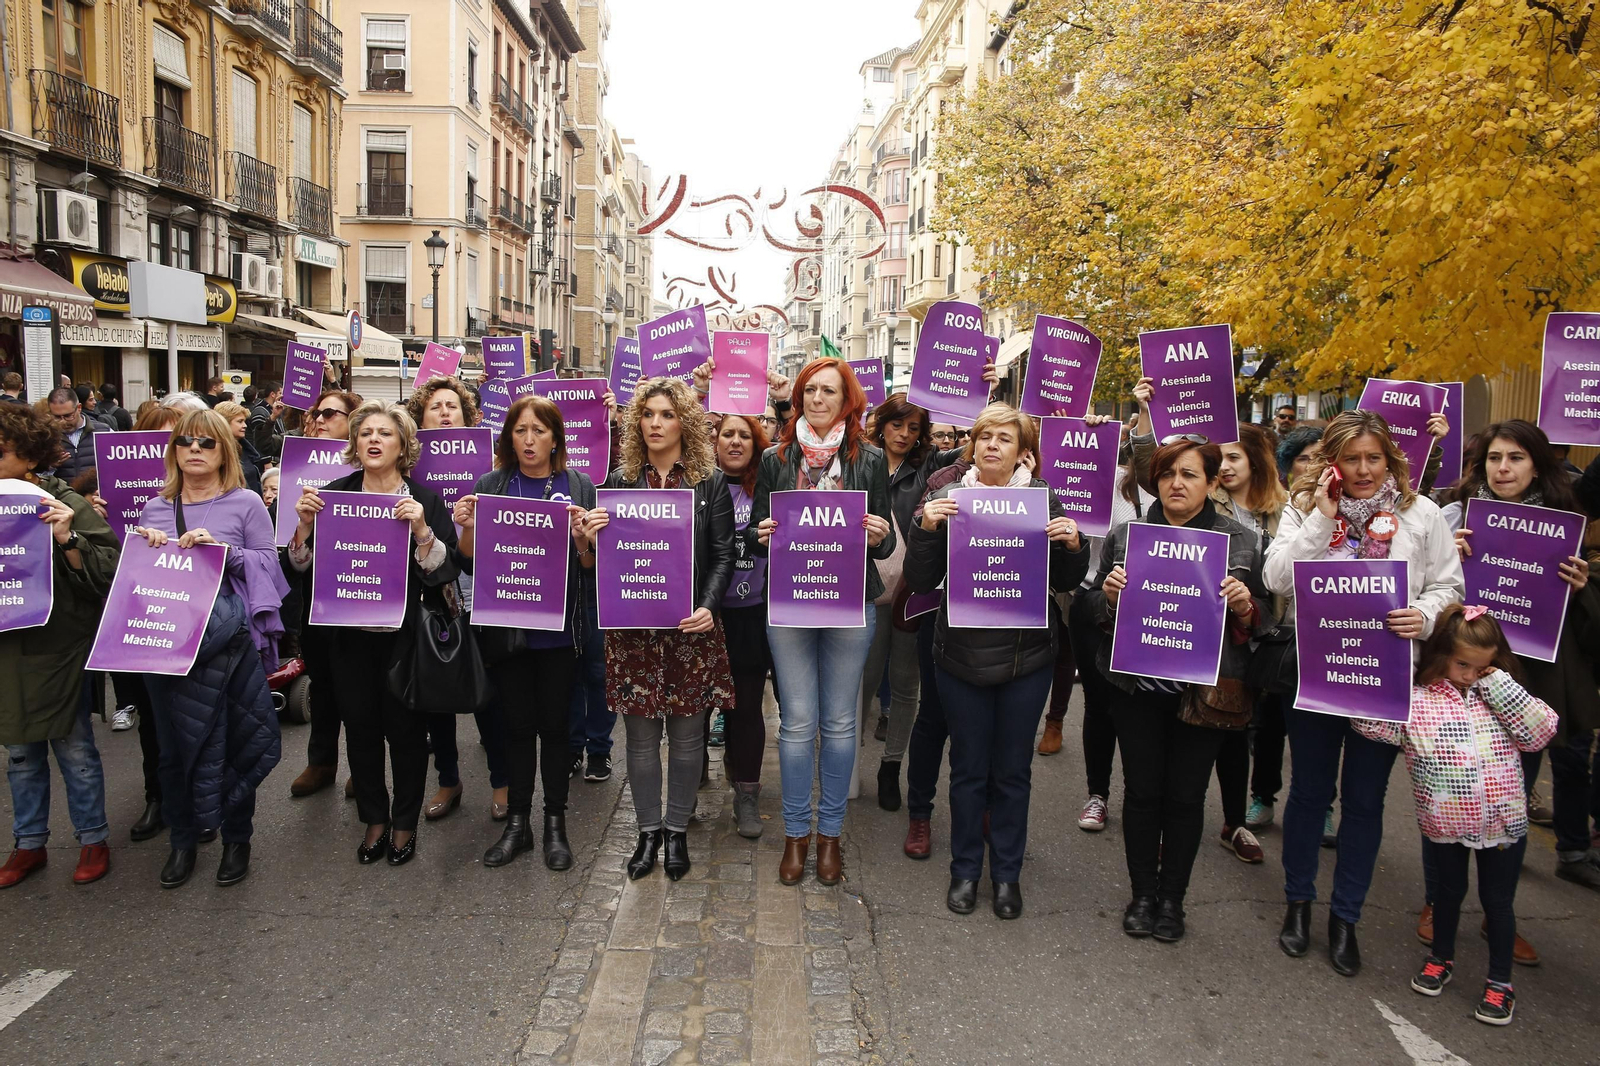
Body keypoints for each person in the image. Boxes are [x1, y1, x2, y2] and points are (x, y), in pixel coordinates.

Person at [1265, 409, 1463, 975]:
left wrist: (1422, 616)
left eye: (1372, 458)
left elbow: (1448, 583)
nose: (1362, 469)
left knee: (1366, 801)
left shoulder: (1420, 513)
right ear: (1333, 461)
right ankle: (1298, 904)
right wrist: (1321, 522)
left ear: (1389, 459)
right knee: (1308, 794)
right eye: (1350, 458)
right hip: (1318, 674)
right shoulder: (1304, 507)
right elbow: (1277, 579)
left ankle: (1345, 917)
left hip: (1385, 678)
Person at [906, 403, 1090, 918]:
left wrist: (1073, 546)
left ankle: (1006, 874)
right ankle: (964, 869)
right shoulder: (948, 498)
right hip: (960, 656)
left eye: (1004, 439)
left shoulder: (1043, 500)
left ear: (1022, 452)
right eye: (985, 436)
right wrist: (924, 528)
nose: (992, 445)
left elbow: (1066, 580)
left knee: (1012, 772)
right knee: (966, 770)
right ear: (973, 445)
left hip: (1026, 660)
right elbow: (921, 581)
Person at [1087, 437, 1270, 943]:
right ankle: (1143, 894)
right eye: (1168, 474)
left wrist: (1244, 607)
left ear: (1213, 483)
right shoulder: (1129, 536)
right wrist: (1106, 598)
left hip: (1203, 696)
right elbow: (1092, 613)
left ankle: (1173, 900)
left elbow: (1267, 623)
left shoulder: (1242, 541)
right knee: (1143, 793)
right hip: (1137, 690)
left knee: (1186, 799)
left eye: (1189, 474)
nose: (1176, 484)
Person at [1354, 605, 1556, 1026]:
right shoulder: (1420, 700)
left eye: (1482, 666)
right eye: (1462, 663)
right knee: (1446, 892)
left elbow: (1540, 733)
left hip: (1502, 821)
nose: (1469, 674)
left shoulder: (1500, 697)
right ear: (1441, 652)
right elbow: (1376, 725)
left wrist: (1500, 684)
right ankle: (1440, 957)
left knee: (1498, 902)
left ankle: (1500, 982)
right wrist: (1354, 684)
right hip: (1445, 823)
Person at [288, 401, 459, 866]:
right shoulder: (332, 496)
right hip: (347, 640)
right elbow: (301, 568)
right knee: (360, 730)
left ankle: (404, 823)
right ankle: (375, 819)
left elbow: (444, 571)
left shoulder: (424, 499)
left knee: (405, 734)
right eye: (366, 433)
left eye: (384, 433)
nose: (374, 440)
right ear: (355, 444)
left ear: (403, 445)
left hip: (405, 639)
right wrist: (303, 529)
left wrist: (422, 531)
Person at [1439, 421, 1600, 898]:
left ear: (1537, 465)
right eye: (1494, 458)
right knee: (1449, 797)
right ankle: (1439, 903)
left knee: (1510, 803)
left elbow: (1582, 621)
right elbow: (1425, 593)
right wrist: (1449, 560)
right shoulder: (1455, 514)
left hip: (1528, 682)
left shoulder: (1565, 522)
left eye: (1515, 458)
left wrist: (1581, 585)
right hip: (1460, 678)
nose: (1503, 468)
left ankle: (1499, 913)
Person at [585, 378, 735, 882]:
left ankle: (676, 832)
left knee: (690, 740)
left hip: (690, 627)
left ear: (684, 423)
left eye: (666, 415)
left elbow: (722, 554)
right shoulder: (621, 480)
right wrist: (592, 538)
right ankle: (647, 832)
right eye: (647, 414)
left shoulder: (708, 481)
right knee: (642, 740)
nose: (655, 423)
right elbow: (598, 562)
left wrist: (709, 605)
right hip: (634, 632)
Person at [752, 358, 895, 887]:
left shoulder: (871, 459)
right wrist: (760, 532)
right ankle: (795, 836)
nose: (816, 399)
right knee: (795, 725)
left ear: (847, 400)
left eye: (828, 391)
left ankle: (830, 836)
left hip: (849, 604)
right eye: (810, 390)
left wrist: (880, 532)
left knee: (838, 724)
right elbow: (751, 532)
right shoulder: (776, 458)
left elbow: (887, 541)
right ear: (799, 398)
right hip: (791, 603)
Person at [132, 409, 287, 887]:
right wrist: (147, 548)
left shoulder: (244, 503)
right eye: (185, 442)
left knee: (239, 742)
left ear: (225, 450)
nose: (194, 450)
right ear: (173, 451)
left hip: (228, 643)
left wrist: (224, 551)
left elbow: (270, 569)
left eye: (206, 443)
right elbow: (134, 583)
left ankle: (237, 839)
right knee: (173, 749)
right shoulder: (155, 507)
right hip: (168, 647)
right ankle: (182, 841)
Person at [454, 395, 595, 869]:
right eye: (520, 431)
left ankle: (555, 822)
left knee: (555, 729)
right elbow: (469, 559)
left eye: (539, 430)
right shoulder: (492, 484)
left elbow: (591, 566)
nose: (529, 439)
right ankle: (519, 824)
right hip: (508, 631)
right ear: (509, 438)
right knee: (515, 728)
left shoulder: (578, 485)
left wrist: (582, 542)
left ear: (556, 437)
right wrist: (467, 526)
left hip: (559, 633)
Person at [0, 403, 119, 887]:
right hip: (9, 649)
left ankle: (92, 838)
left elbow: (109, 568)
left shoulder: (61, 500)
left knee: (74, 749)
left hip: (58, 645)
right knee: (21, 753)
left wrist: (69, 536)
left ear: (28, 456)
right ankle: (29, 844)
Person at [406, 376, 511, 822]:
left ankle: (502, 781)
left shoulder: (491, 469)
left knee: (486, 691)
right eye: (435, 407)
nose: (445, 412)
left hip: (479, 585)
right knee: (438, 690)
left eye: (452, 406)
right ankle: (448, 779)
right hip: (433, 591)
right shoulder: (409, 473)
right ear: (420, 419)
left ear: (469, 418)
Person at [858, 392, 964, 811]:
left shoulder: (932, 467)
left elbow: (977, 446)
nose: (904, 434)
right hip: (862, 586)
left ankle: (890, 767)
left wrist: (985, 394)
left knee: (905, 686)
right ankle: (846, 767)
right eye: (897, 424)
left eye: (914, 428)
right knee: (862, 683)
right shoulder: (858, 460)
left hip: (912, 591)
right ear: (881, 423)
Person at [285, 389, 362, 798]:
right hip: (316, 597)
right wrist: (297, 525)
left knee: (358, 687)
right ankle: (321, 762)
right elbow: (293, 556)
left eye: (330, 413)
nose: (319, 419)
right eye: (316, 413)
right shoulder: (295, 466)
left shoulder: (367, 470)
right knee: (323, 682)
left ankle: (360, 764)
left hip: (358, 592)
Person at [712, 411, 773, 837]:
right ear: (713, 441)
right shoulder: (699, 487)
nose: (735, 442)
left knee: (746, 706)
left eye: (744, 436)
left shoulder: (769, 489)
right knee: (697, 706)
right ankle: (693, 773)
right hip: (703, 613)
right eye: (726, 434)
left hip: (752, 612)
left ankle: (746, 795)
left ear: (756, 443)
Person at [47, 386, 101, 482]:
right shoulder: (45, 436)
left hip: (95, 495)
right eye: (57, 417)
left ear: (79, 408)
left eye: (68, 415)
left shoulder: (103, 431)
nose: (62, 422)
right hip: (60, 495)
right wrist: (50, 466)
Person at [214, 401, 264, 494]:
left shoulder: (246, 449)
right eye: (240, 421)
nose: (245, 425)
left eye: (244, 421)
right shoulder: (217, 453)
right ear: (224, 423)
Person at [247, 382, 283, 460]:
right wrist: (266, 460)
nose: (282, 396)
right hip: (267, 459)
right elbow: (259, 439)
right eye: (280, 393)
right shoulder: (260, 410)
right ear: (272, 394)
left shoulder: (276, 409)